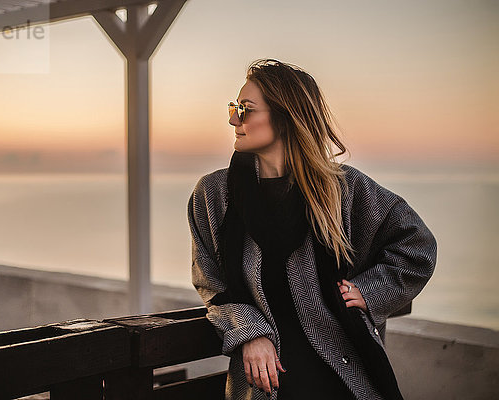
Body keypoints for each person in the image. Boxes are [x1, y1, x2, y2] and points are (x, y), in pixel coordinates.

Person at [187, 59, 437, 400]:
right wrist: (249, 331)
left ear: (287, 117)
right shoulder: (215, 195)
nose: (233, 119)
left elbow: (416, 245)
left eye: (245, 110)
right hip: (268, 385)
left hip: (345, 379)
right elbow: (211, 283)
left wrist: (371, 290)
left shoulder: (343, 189)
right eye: (234, 108)